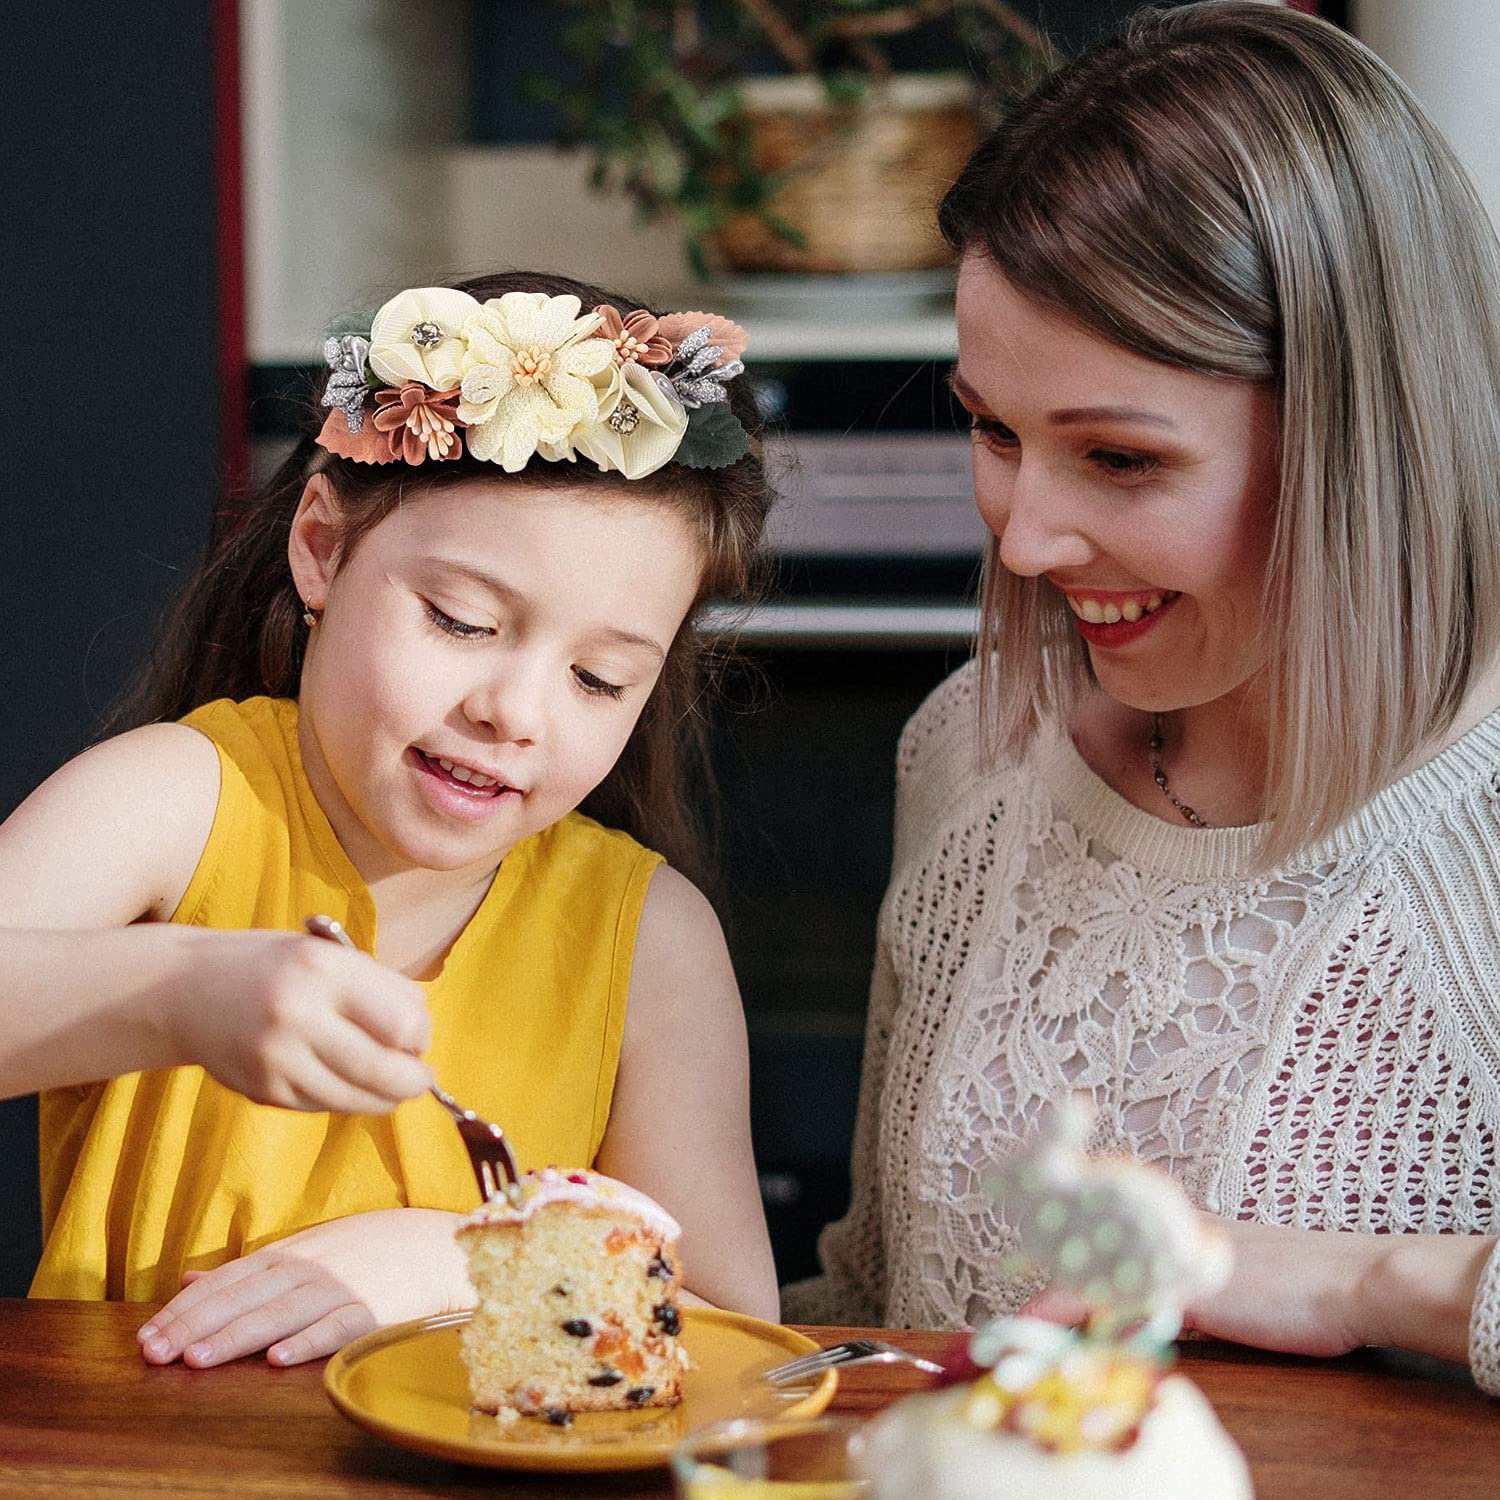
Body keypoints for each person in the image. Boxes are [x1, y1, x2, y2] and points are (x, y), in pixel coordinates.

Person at [782, 2, 1500, 1397]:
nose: (1025, 539)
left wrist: (1367, 1282)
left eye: (1117, 459)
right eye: (994, 430)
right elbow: (876, 1298)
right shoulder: (971, 745)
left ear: (1362, 437)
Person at [0, 270, 780, 1367]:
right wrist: (179, 993)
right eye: (461, 622)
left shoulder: (648, 938)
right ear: (322, 549)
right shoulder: (179, 803)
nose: (513, 712)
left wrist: (472, 1260)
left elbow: (745, 1336)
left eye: (600, 680)